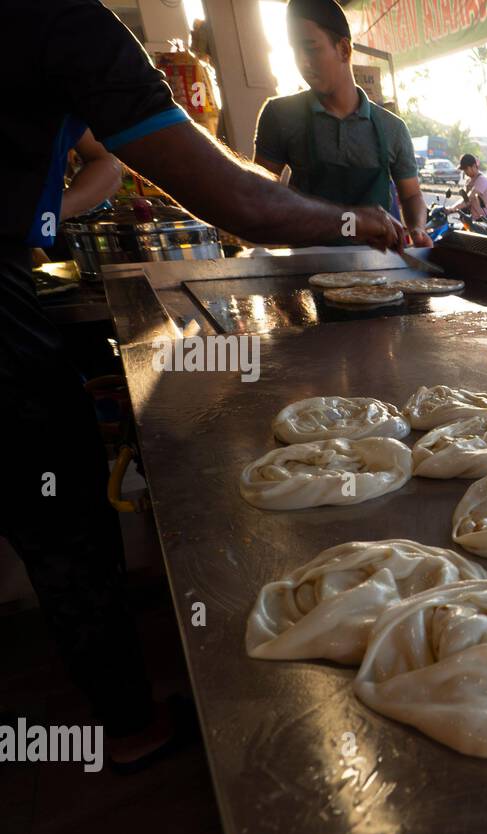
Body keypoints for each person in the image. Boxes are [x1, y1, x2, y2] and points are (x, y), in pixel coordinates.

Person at [3, 0, 403, 770]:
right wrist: (350, 224)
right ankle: (129, 727)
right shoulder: (57, 19)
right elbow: (243, 200)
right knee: (62, 515)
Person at [253, 0, 432, 246]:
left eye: (311, 48)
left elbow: (411, 195)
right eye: (295, 50)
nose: (302, 62)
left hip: (381, 267)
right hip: (307, 266)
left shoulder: (392, 128)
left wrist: (417, 229)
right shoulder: (280, 115)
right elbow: (260, 198)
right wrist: (349, 221)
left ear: (344, 50)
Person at [446, 154, 487, 221]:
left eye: (466, 169)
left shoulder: (482, 180)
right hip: (473, 219)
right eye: (463, 170)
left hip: (484, 220)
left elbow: (468, 199)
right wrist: (451, 209)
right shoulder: (469, 181)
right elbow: (465, 201)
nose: (465, 172)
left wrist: (451, 209)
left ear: (473, 166)